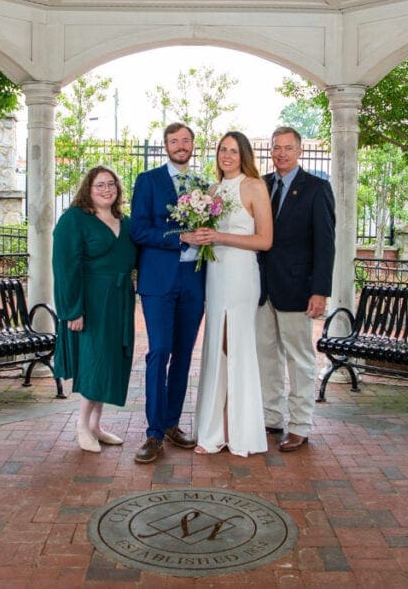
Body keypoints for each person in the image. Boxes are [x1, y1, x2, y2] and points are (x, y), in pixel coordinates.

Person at [187, 131, 273, 456]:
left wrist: (220, 236)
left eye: (233, 150)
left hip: (241, 274)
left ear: (244, 155)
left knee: (235, 343)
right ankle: (214, 430)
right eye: (222, 149)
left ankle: (240, 431)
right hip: (216, 274)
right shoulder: (211, 190)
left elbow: (265, 241)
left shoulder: (254, 186)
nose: (226, 155)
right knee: (216, 346)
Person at [257, 126, 336, 452]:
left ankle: (300, 425)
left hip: (297, 289)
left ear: (300, 151)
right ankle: (271, 418)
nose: (282, 154)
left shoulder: (317, 188)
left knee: (300, 360)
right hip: (262, 289)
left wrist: (320, 290)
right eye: (277, 148)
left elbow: (326, 244)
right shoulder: (260, 185)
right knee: (266, 357)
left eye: (288, 148)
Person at [129, 123, 205, 464]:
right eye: (174, 141)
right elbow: (139, 229)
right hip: (159, 280)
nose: (181, 145)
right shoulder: (148, 181)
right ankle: (154, 433)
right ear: (165, 146)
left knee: (184, 354)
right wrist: (179, 237)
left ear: (193, 145)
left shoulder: (204, 184)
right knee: (159, 351)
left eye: (186, 140)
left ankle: (173, 423)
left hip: (195, 278)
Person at [52, 166, 137, 452]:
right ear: (88, 189)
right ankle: (81, 425)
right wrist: (73, 310)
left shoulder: (124, 221)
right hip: (91, 302)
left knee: (110, 362)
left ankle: (96, 427)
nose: (106, 189)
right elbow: (64, 267)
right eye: (99, 185)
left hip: (120, 301)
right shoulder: (74, 220)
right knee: (94, 362)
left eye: (111, 184)